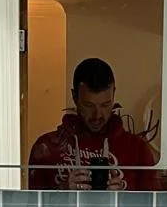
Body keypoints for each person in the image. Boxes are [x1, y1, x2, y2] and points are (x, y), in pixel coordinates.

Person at [27, 57, 157, 190]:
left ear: (113, 95)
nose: (97, 115)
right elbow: (33, 202)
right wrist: (63, 192)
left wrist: (121, 198)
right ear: (74, 97)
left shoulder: (137, 150)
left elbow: (154, 203)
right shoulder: (46, 148)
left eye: (105, 105)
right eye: (89, 105)